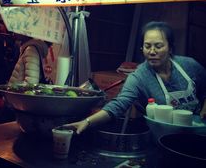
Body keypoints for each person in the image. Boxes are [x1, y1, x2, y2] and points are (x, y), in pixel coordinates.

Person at [64, 21, 206, 134]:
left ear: (170, 48)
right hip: (163, 137)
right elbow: (118, 105)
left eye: (158, 46)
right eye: (147, 46)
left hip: (198, 131)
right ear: (142, 49)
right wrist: (87, 122)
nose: (152, 51)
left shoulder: (189, 65)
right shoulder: (139, 77)